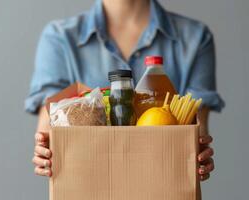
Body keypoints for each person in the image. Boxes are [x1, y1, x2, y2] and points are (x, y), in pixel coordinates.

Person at [26, 0, 224, 181]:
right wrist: (46, 149)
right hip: (91, 183)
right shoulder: (60, 38)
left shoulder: (195, 38)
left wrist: (198, 152)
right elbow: (49, 124)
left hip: (162, 183)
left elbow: (197, 125)